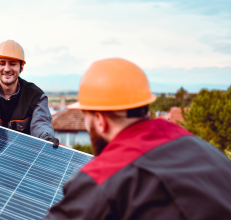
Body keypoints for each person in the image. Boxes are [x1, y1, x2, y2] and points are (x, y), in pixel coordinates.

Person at [43, 58, 231, 219]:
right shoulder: (201, 148)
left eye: (87, 118)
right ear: (145, 108)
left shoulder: (102, 179)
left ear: (100, 121)